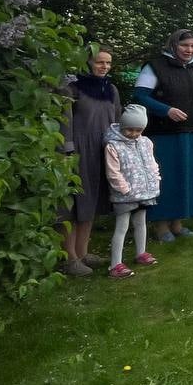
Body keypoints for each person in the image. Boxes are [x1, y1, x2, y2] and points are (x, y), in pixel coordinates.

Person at [133, 29, 193, 242]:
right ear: (174, 45)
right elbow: (140, 96)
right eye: (184, 45)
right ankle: (161, 226)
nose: (189, 50)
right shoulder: (156, 67)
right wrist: (166, 110)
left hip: (192, 132)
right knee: (166, 179)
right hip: (163, 133)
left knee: (186, 178)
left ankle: (177, 223)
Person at [60, 45, 121, 276]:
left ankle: (83, 252)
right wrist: (66, 150)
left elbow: (116, 119)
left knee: (92, 202)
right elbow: (65, 121)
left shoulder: (111, 89)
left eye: (107, 63)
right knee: (74, 205)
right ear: (87, 63)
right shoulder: (71, 89)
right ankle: (69, 258)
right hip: (78, 151)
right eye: (99, 62)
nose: (104, 67)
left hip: (103, 149)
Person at [102, 105, 162, 279]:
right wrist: (124, 189)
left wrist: (155, 179)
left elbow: (151, 163)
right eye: (130, 129)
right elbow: (113, 171)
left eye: (138, 130)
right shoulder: (113, 146)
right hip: (124, 195)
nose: (134, 133)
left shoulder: (146, 142)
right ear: (122, 126)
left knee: (140, 222)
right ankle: (115, 264)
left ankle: (141, 253)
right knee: (122, 227)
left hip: (144, 191)